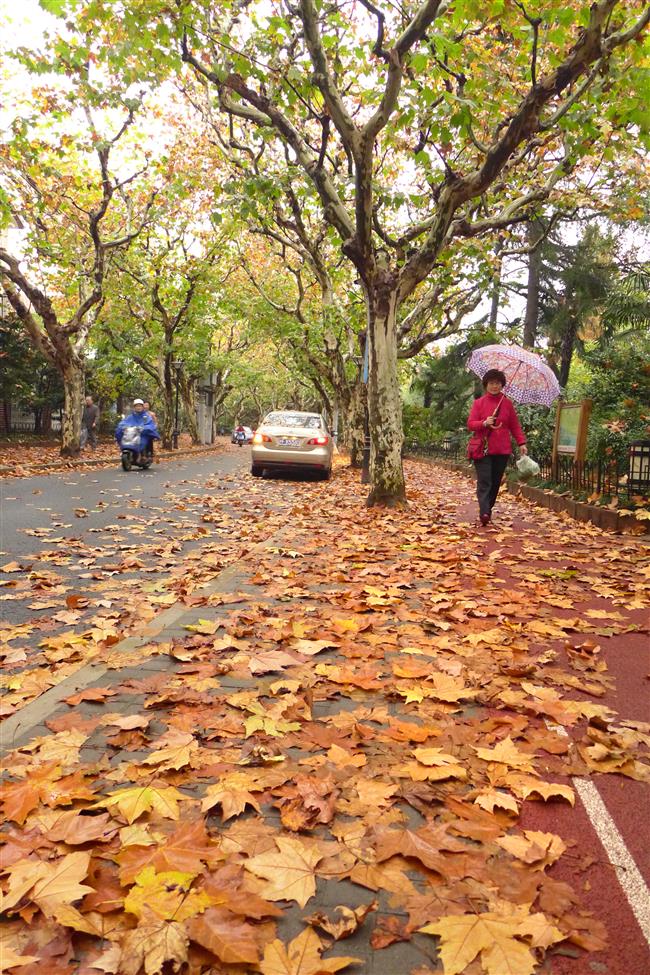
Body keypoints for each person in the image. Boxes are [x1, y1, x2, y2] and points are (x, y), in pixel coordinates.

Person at [467, 369, 528, 526]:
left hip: (502, 450)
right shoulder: (479, 403)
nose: (494, 386)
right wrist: (484, 423)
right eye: (492, 383)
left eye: (498, 383)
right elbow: (471, 424)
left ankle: (488, 509)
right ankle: (484, 512)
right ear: (486, 384)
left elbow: (515, 426)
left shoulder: (507, 404)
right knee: (485, 481)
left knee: (495, 482)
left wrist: (522, 443)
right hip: (483, 449)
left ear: (502, 385)